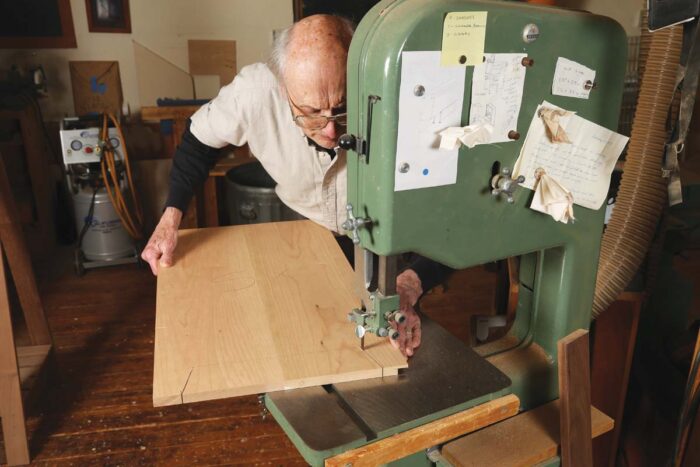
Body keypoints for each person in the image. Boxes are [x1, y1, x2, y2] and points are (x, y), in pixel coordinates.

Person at [141, 14, 450, 357]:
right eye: (311, 112)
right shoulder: (255, 91)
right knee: (298, 344)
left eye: (342, 108)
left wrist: (411, 282)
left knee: (386, 349)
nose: (330, 131)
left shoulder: (407, 94)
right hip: (307, 235)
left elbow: (454, 210)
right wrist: (170, 220)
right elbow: (197, 144)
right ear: (282, 85)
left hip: (390, 241)